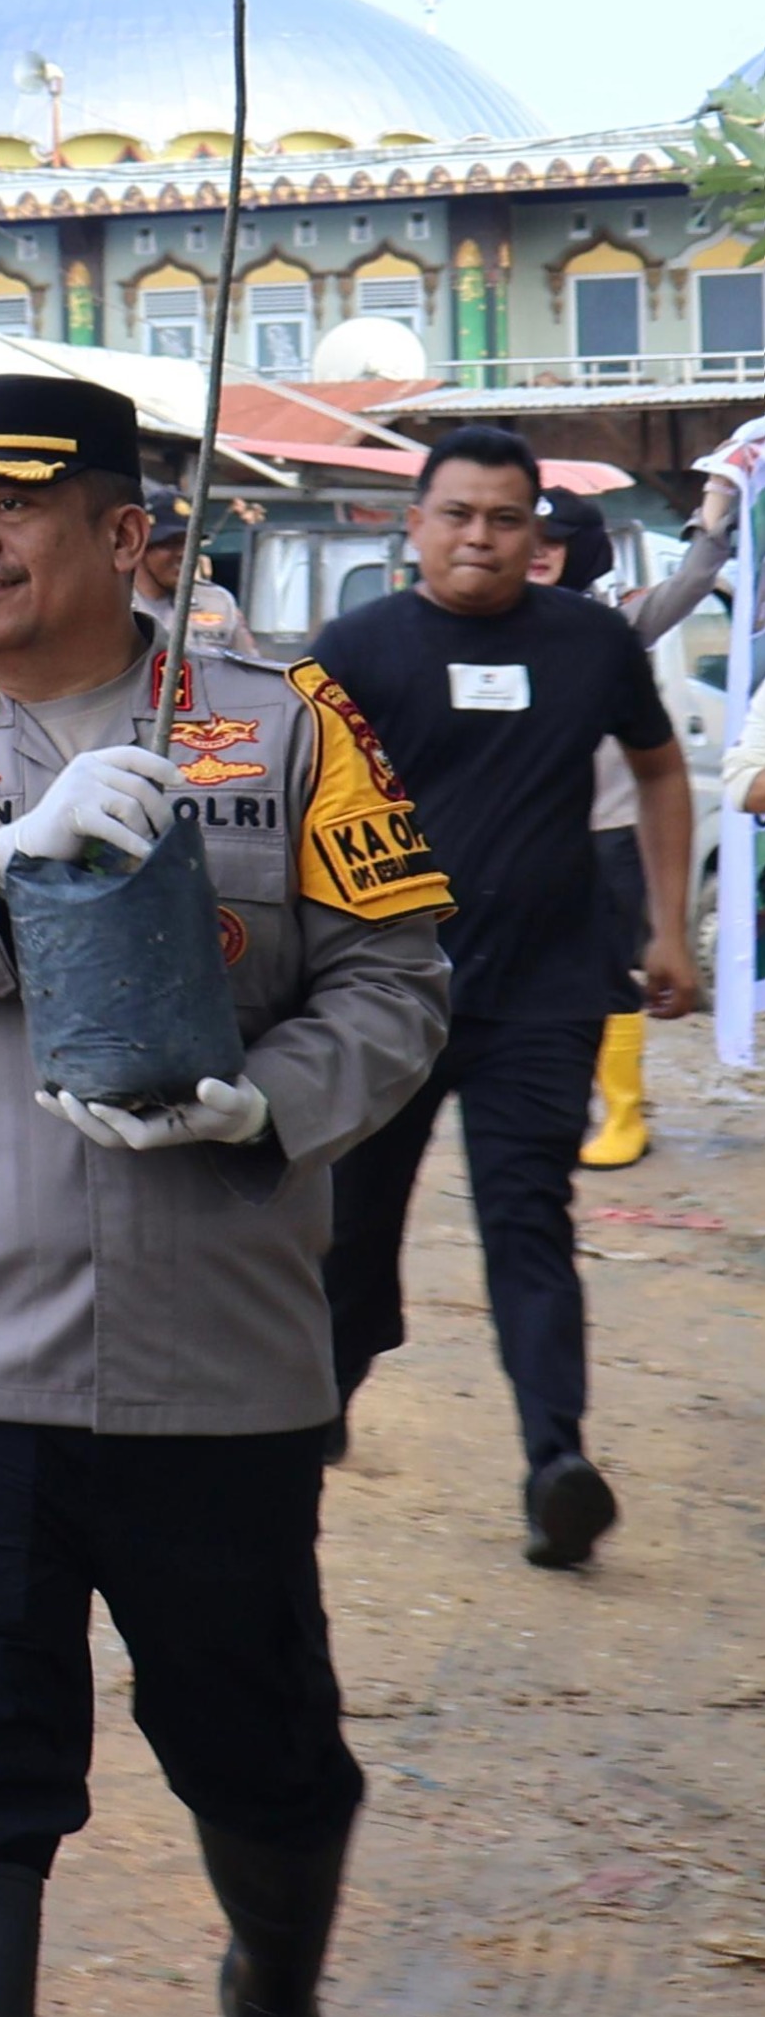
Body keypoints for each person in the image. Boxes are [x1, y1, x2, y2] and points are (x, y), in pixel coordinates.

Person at [0, 374, 452, 2017]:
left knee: (259, 1744)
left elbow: (396, 988)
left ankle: (275, 2011)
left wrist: (266, 1103)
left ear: (128, 533)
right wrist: (2, 867)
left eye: (6, 501)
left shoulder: (285, 723)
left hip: (214, 1358)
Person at [315, 426, 695, 1570]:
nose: (478, 536)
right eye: (457, 514)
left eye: (503, 518)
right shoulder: (356, 647)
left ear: (538, 535)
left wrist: (667, 926)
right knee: (351, 1228)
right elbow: (288, 798)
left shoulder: (590, 644)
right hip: (387, 992)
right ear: (415, 524)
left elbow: (660, 764)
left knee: (527, 1221)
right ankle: (318, 1395)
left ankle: (554, 1465)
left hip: (546, 989)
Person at [528, 481, 731, 1168]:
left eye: (557, 543)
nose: (540, 554)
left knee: (610, 972)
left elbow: (696, 579)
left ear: (581, 550)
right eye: (534, 538)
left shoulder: (617, 624)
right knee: (535, 975)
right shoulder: (498, 620)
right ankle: (560, 1107)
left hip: (607, 829)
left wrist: (714, 516)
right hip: (529, 831)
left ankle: (623, 1115)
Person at [137, 484, 255, 656]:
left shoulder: (218, 603)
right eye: (171, 543)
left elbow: (249, 671)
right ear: (140, 546)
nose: (184, 553)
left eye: (191, 543)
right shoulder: (110, 606)